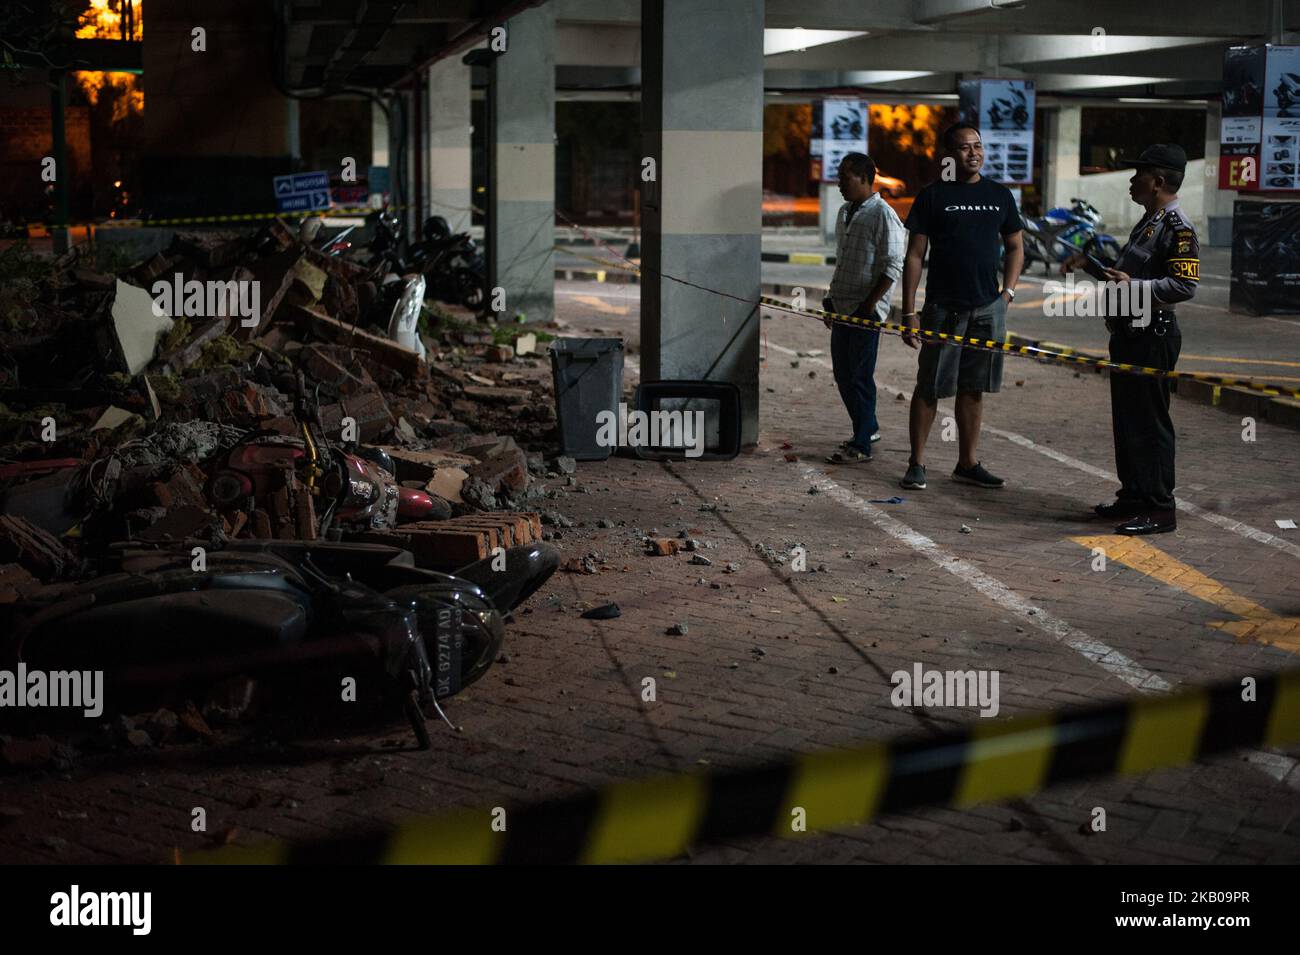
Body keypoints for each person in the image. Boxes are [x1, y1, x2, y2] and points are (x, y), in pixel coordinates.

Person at [1063, 144, 1199, 535]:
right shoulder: (1149, 222)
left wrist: (1135, 286)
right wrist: (1089, 266)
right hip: (1130, 336)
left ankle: (1160, 508)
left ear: (1157, 181)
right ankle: (1135, 496)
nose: (1130, 179)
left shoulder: (1177, 226)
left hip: (1152, 337)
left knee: (1150, 423)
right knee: (1127, 422)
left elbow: (1185, 285)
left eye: (1137, 173)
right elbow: (1125, 277)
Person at [898, 122, 1024, 490]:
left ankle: (967, 463)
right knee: (930, 387)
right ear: (949, 155)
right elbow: (915, 256)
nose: (974, 153)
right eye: (965, 148)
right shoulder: (933, 196)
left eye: (978, 146)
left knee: (974, 388)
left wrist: (1008, 294)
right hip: (943, 309)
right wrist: (910, 312)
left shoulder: (1000, 195)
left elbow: (1015, 247)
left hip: (987, 309)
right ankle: (917, 463)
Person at [821, 153, 905, 464]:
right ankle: (867, 428)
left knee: (858, 376)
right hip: (842, 308)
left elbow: (893, 265)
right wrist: (831, 298)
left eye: (845, 177)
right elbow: (843, 260)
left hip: (864, 314)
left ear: (865, 179)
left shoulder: (883, 214)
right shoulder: (845, 212)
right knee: (845, 375)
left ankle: (862, 442)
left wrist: (868, 307)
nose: (840, 183)